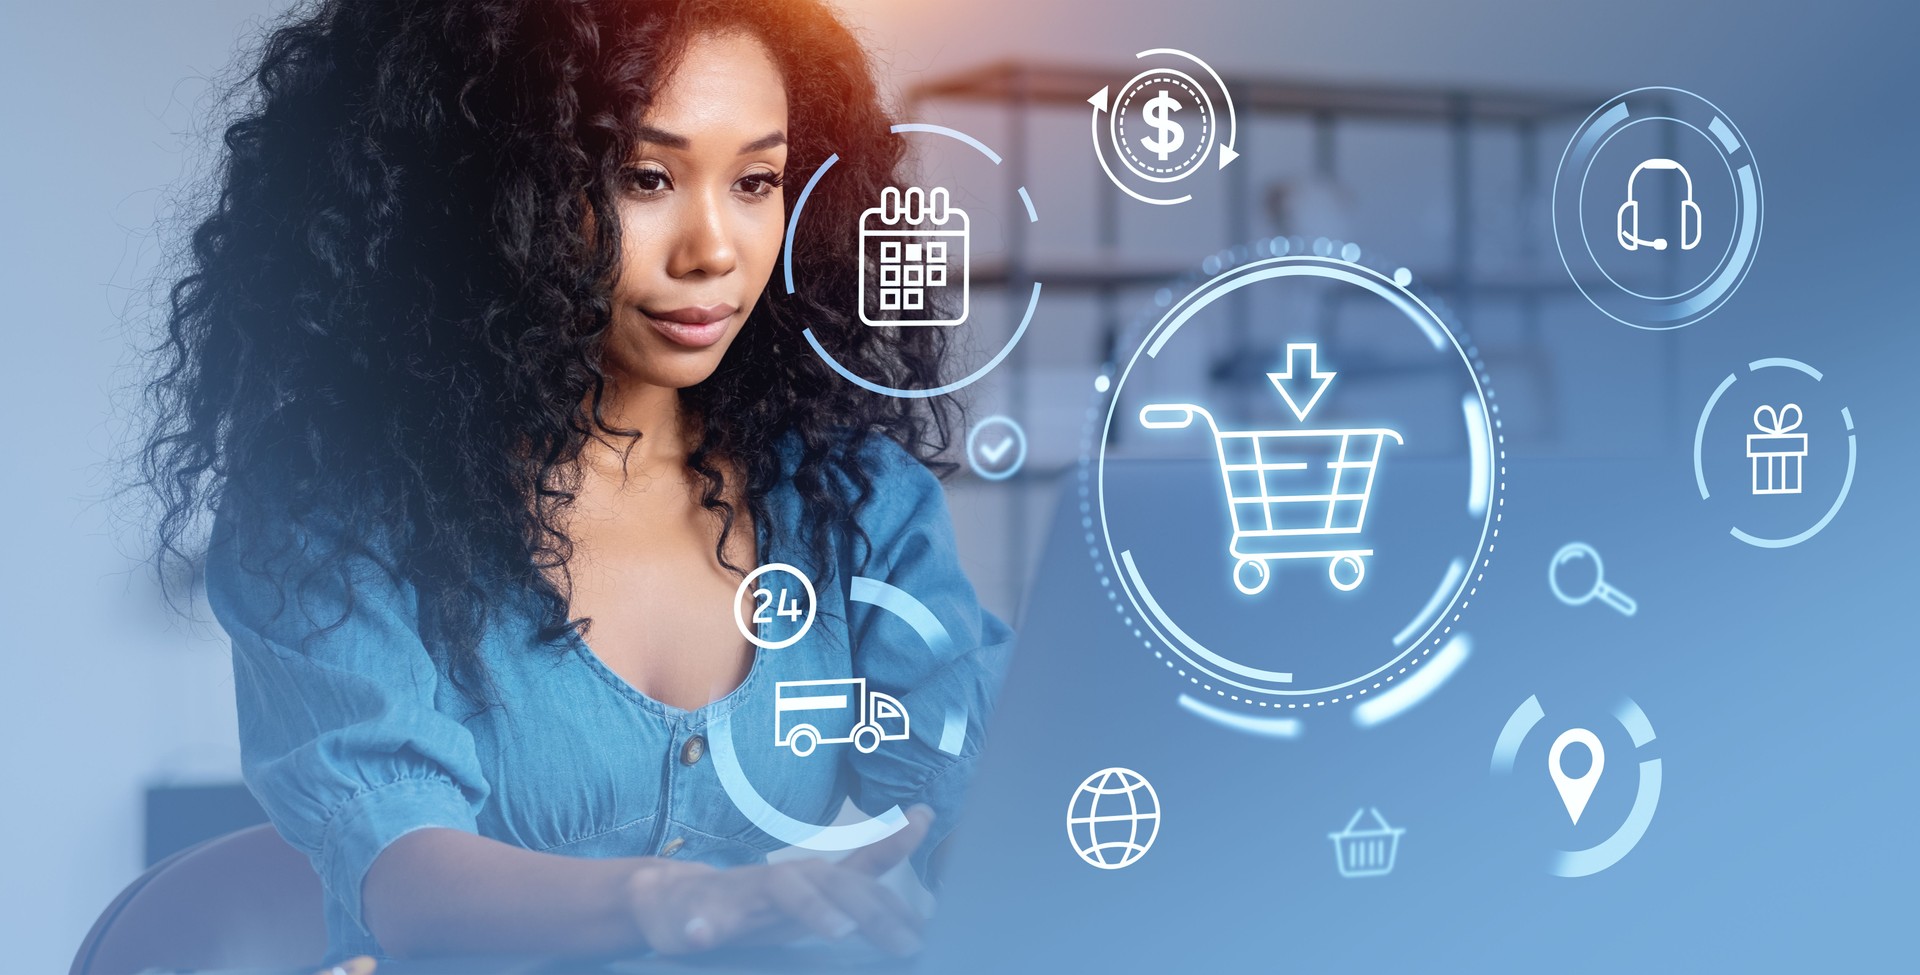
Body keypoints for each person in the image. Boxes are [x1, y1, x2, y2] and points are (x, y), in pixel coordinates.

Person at [138, 0, 1011, 963]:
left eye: (758, 180)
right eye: (645, 177)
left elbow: (970, 791)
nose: (714, 250)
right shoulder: (331, 512)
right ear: (488, 189)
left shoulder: (848, 501)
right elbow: (408, 874)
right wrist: (677, 903)